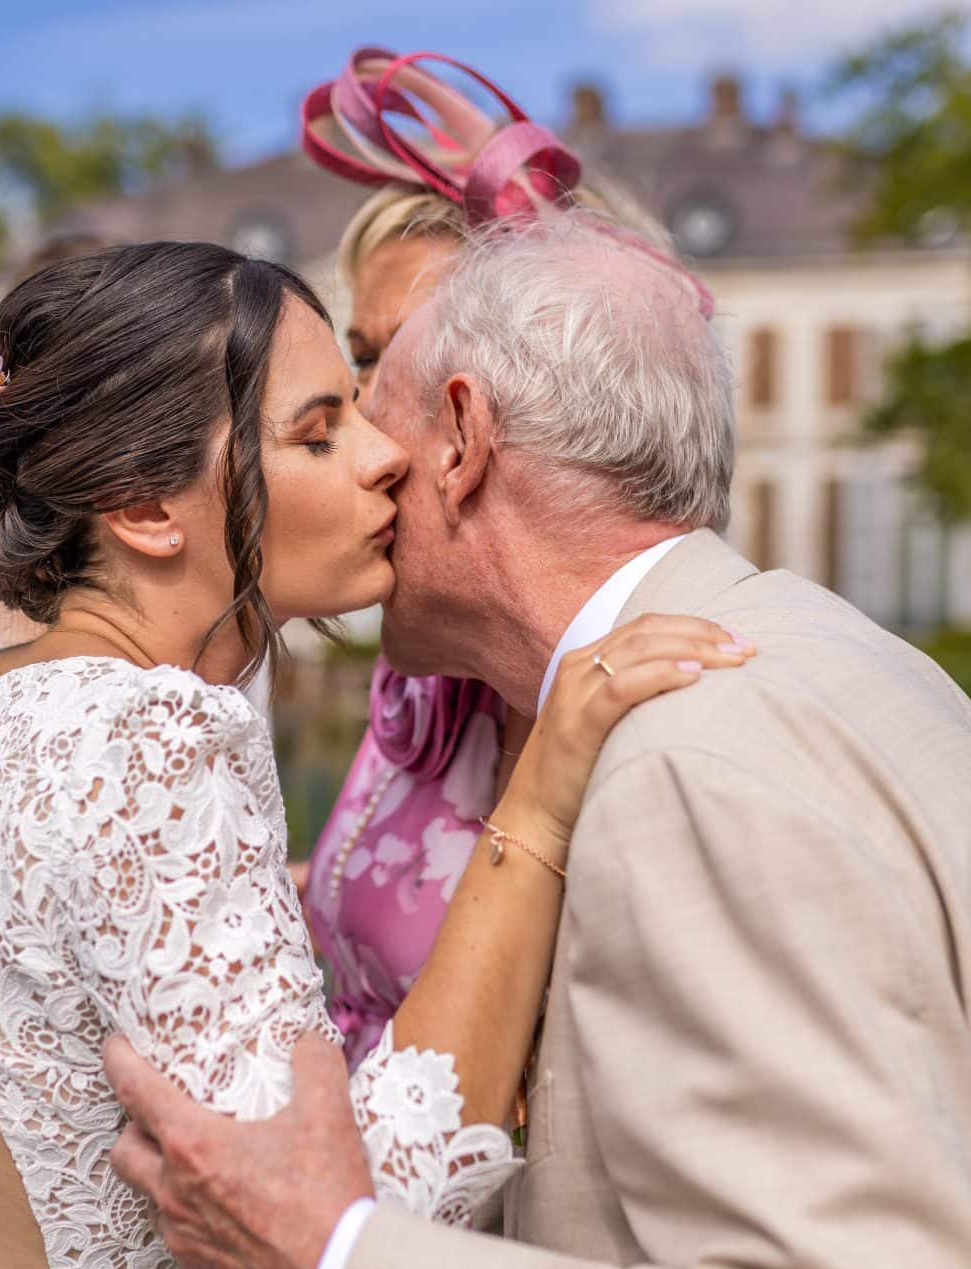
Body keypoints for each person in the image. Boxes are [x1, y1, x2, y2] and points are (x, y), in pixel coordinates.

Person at [104, 213, 971, 1269]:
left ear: (463, 438)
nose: (368, 469)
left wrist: (335, 1266)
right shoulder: (858, 667)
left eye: (374, 409)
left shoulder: (684, 764)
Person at [0, 240, 746, 1269]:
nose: (385, 459)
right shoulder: (145, 739)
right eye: (317, 432)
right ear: (141, 507)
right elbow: (356, 1214)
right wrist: (541, 799)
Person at [295, 48, 675, 1066]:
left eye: (410, 358)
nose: (367, 426)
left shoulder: (660, 713)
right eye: (363, 360)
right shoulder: (423, 677)